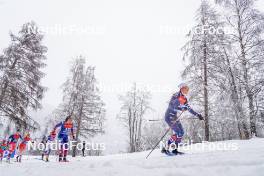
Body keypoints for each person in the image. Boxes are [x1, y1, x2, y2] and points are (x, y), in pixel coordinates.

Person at [162, 83, 204, 155]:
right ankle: (166, 148)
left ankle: (175, 150)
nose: (187, 91)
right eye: (186, 89)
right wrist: (181, 108)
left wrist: (197, 115)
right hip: (169, 116)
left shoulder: (184, 99)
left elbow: (189, 109)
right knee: (178, 132)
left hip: (174, 117)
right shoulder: (176, 96)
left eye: (188, 89)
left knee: (181, 132)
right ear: (181, 89)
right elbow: (171, 107)